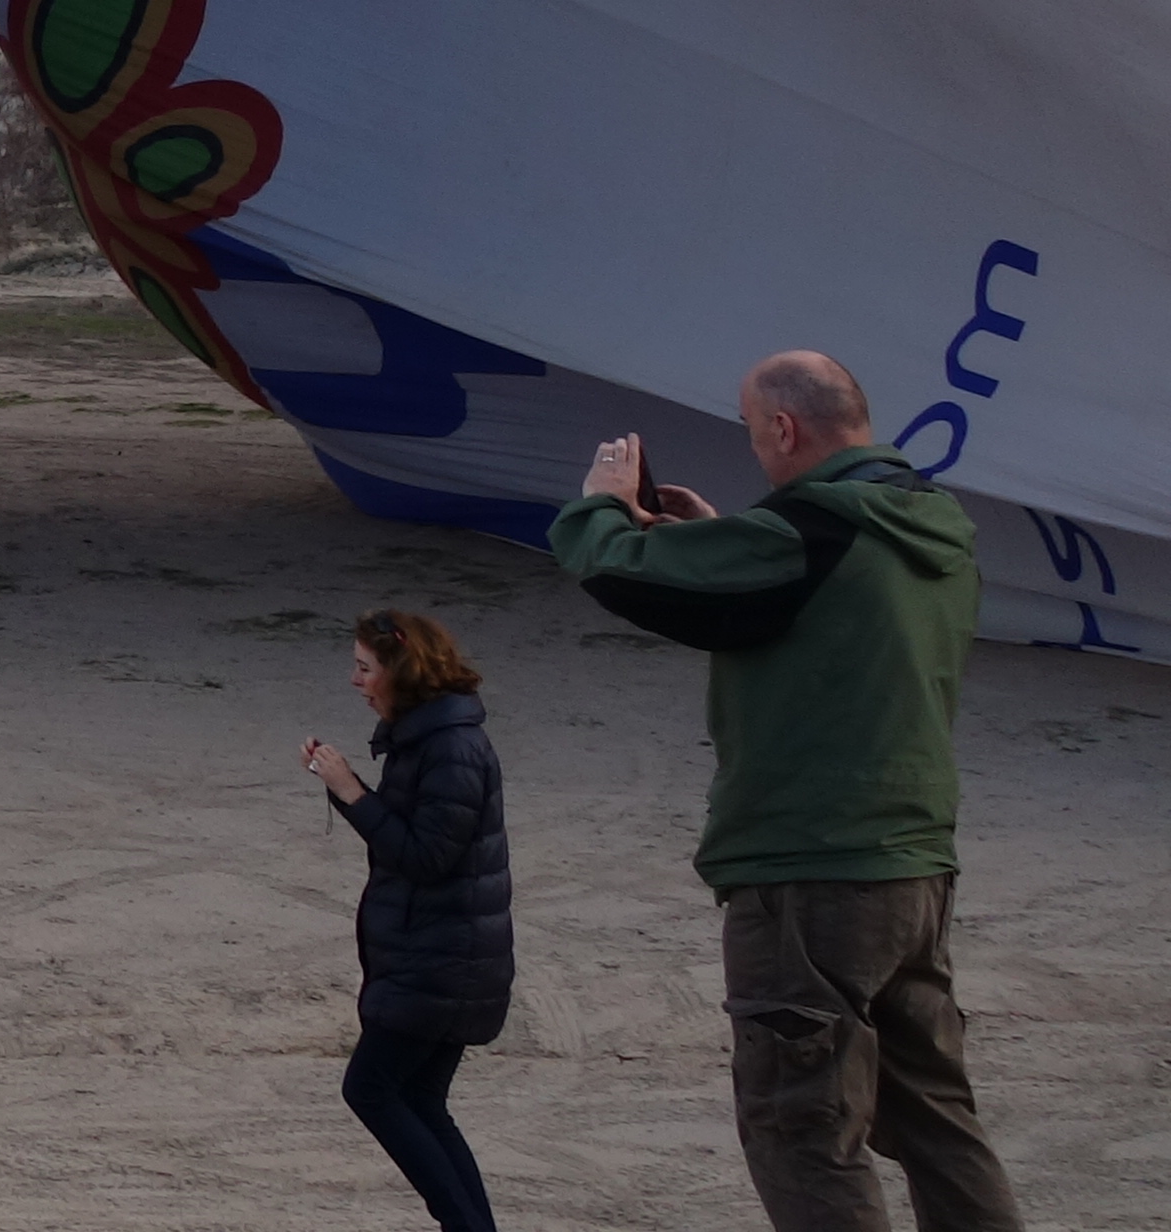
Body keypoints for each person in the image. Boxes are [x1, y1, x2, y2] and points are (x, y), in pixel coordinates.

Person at [548, 351, 1016, 1232]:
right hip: (913, 863)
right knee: (935, 1120)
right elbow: (818, 609)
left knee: (800, 1128)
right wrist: (722, 536)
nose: (754, 444)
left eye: (751, 428)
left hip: (810, 871)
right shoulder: (928, 524)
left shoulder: (811, 532)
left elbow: (617, 568)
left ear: (784, 428)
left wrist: (601, 505)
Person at [303, 608, 509, 1232]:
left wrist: (350, 791)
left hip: (442, 962)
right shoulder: (427, 738)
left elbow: (426, 856)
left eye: (365, 668)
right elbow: (417, 841)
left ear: (402, 672)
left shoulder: (451, 747)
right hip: (442, 956)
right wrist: (350, 787)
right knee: (420, 1098)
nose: (355, 681)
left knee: (370, 1088)